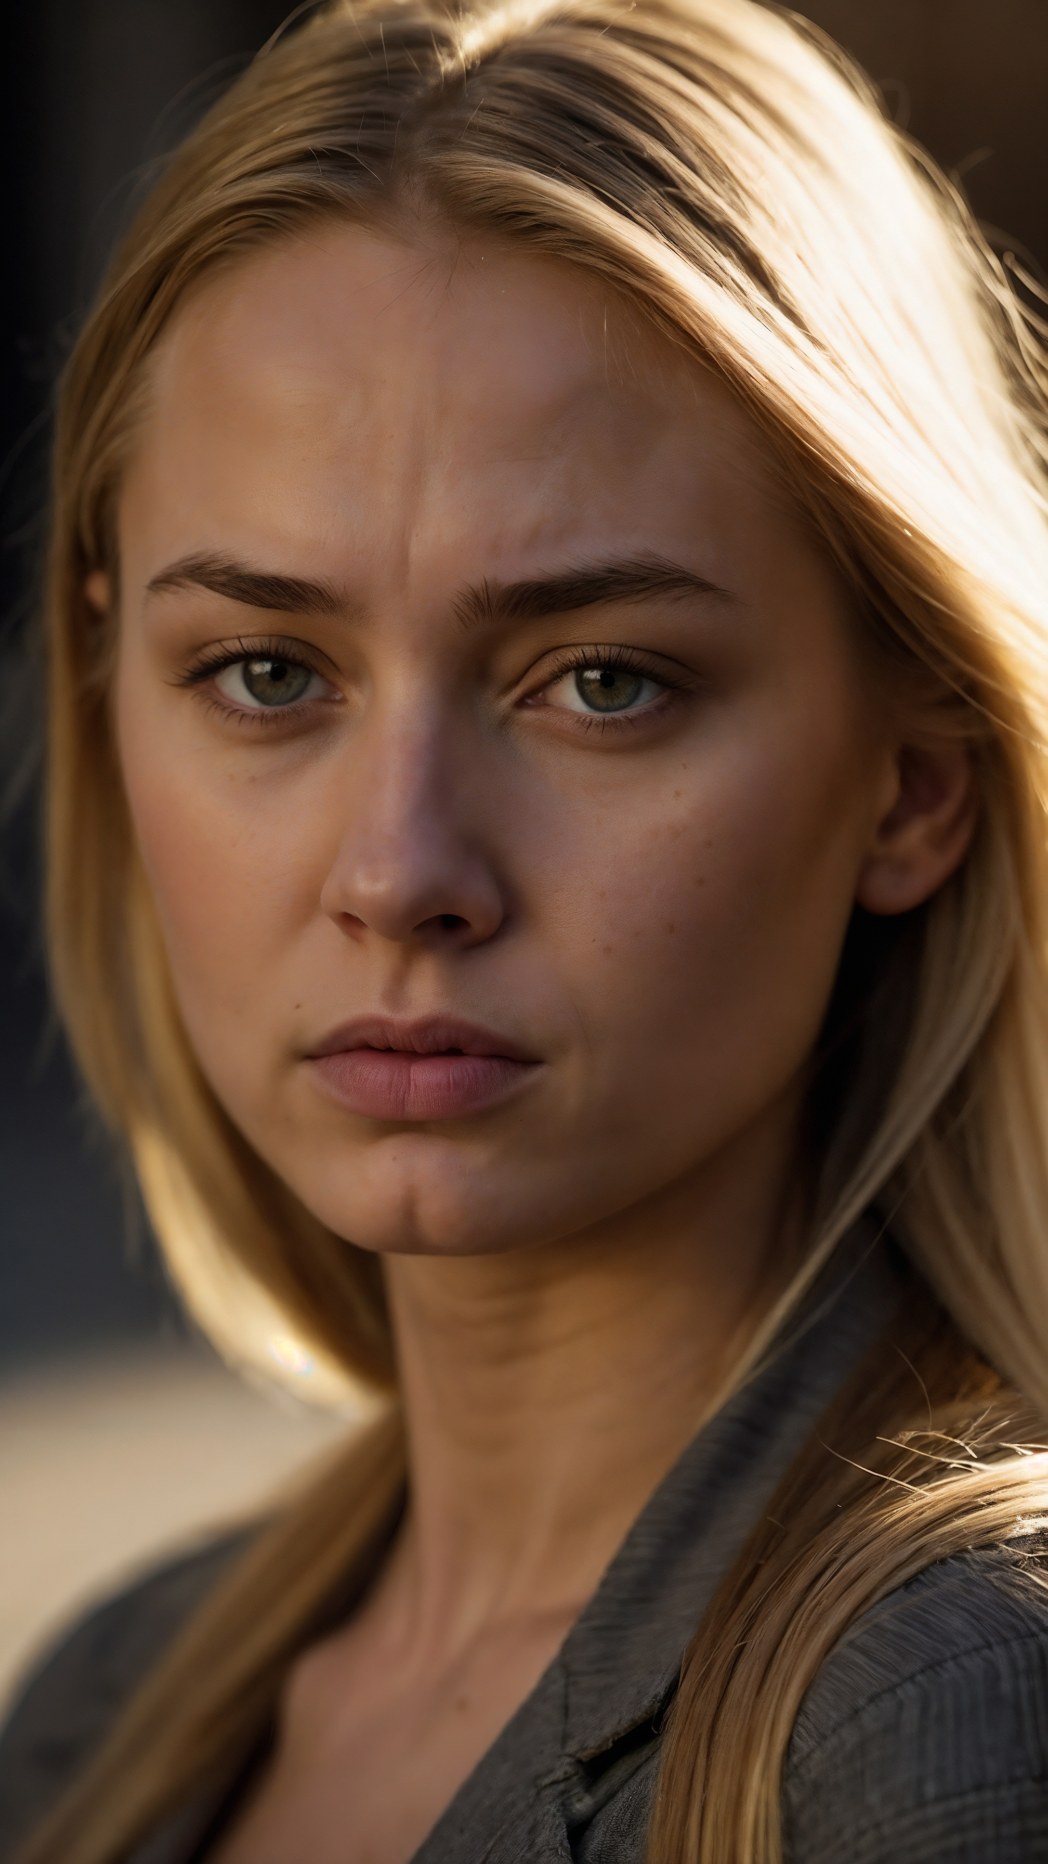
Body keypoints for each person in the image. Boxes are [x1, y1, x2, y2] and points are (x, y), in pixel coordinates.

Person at [4, 0, 1048, 1857]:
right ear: (104, 690)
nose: (402, 872)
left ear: (915, 785)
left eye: (605, 683)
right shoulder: (110, 1712)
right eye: (264, 671)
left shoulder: (948, 1709)